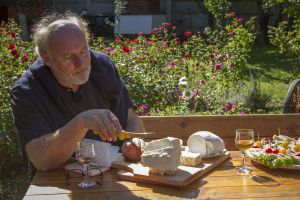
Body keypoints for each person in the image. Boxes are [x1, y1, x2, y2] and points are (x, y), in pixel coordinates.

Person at [10, 12, 144, 171]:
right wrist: (80, 123)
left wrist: (133, 141)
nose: (81, 63)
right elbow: (40, 160)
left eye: (83, 52)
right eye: (68, 57)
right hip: (60, 183)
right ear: (47, 58)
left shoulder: (103, 65)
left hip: (115, 174)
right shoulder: (27, 91)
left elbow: (131, 118)